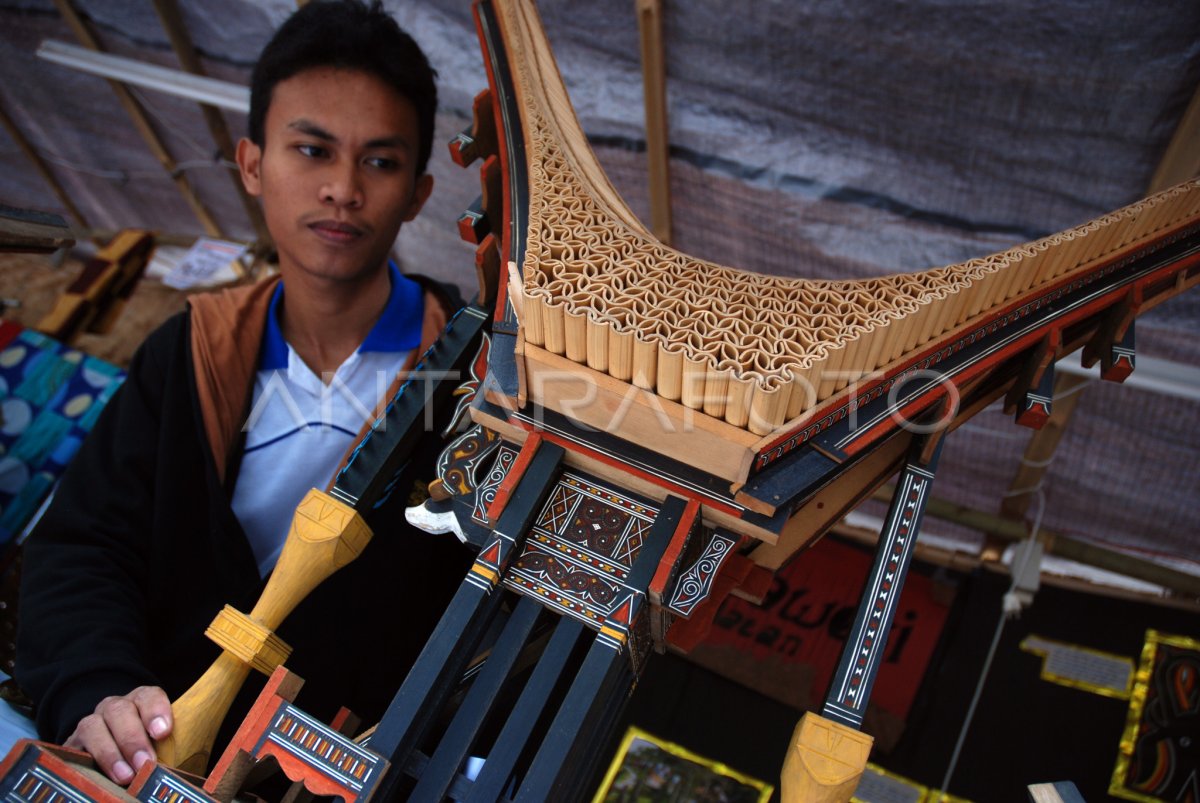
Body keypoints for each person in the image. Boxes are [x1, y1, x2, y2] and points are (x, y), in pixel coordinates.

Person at [14, 0, 473, 786]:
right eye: (312, 149)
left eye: (380, 161)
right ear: (253, 163)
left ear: (420, 192)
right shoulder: (192, 347)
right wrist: (100, 690)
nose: (342, 189)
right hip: (132, 758)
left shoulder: (468, 386)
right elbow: (86, 545)